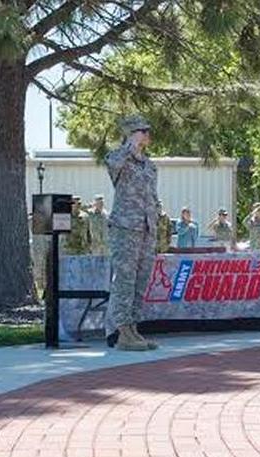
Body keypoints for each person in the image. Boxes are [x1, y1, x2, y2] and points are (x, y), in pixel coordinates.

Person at [105, 114, 160, 351]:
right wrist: (130, 145)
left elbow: (153, 197)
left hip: (147, 228)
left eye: (147, 131)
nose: (147, 135)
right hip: (126, 228)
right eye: (142, 130)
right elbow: (112, 163)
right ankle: (121, 330)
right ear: (131, 133)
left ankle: (133, 328)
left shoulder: (150, 165)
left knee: (140, 280)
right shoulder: (119, 158)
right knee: (124, 280)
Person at [30, 212, 51, 292]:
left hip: (44, 242)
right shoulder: (31, 221)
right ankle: (41, 285)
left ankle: (45, 286)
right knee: (39, 264)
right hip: (38, 244)